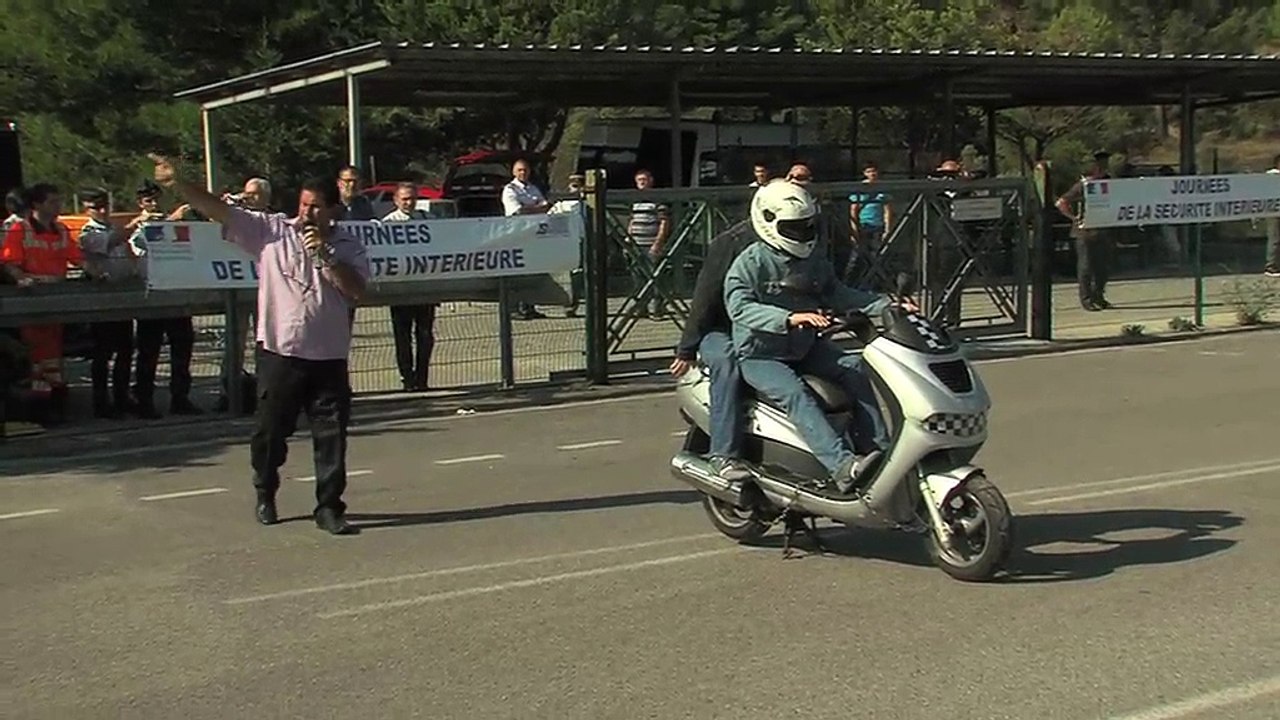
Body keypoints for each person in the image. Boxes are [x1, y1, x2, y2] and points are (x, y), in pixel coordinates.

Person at [149, 153, 371, 536]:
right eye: (303, 205)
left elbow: (356, 291)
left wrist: (325, 254)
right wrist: (178, 184)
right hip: (281, 354)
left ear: (333, 211)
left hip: (329, 357)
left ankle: (330, 506)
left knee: (331, 436)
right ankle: (265, 489)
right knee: (270, 432)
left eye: (316, 207)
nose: (307, 214)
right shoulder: (271, 232)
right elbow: (220, 211)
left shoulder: (348, 245)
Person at [724, 179, 913, 495]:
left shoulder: (814, 259)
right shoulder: (750, 262)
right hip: (761, 354)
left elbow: (838, 293)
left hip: (804, 346)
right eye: (794, 228)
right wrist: (789, 318)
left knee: (853, 367)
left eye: (807, 226)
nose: (803, 234)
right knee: (796, 393)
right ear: (768, 222)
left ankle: (876, 450)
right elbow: (739, 308)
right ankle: (842, 466)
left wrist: (888, 305)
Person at [669, 221, 756, 482]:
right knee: (727, 362)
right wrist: (686, 350)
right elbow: (704, 299)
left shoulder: (811, 232)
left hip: (769, 330)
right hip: (721, 330)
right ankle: (723, 454)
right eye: (794, 177)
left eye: (806, 179)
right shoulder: (731, 242)